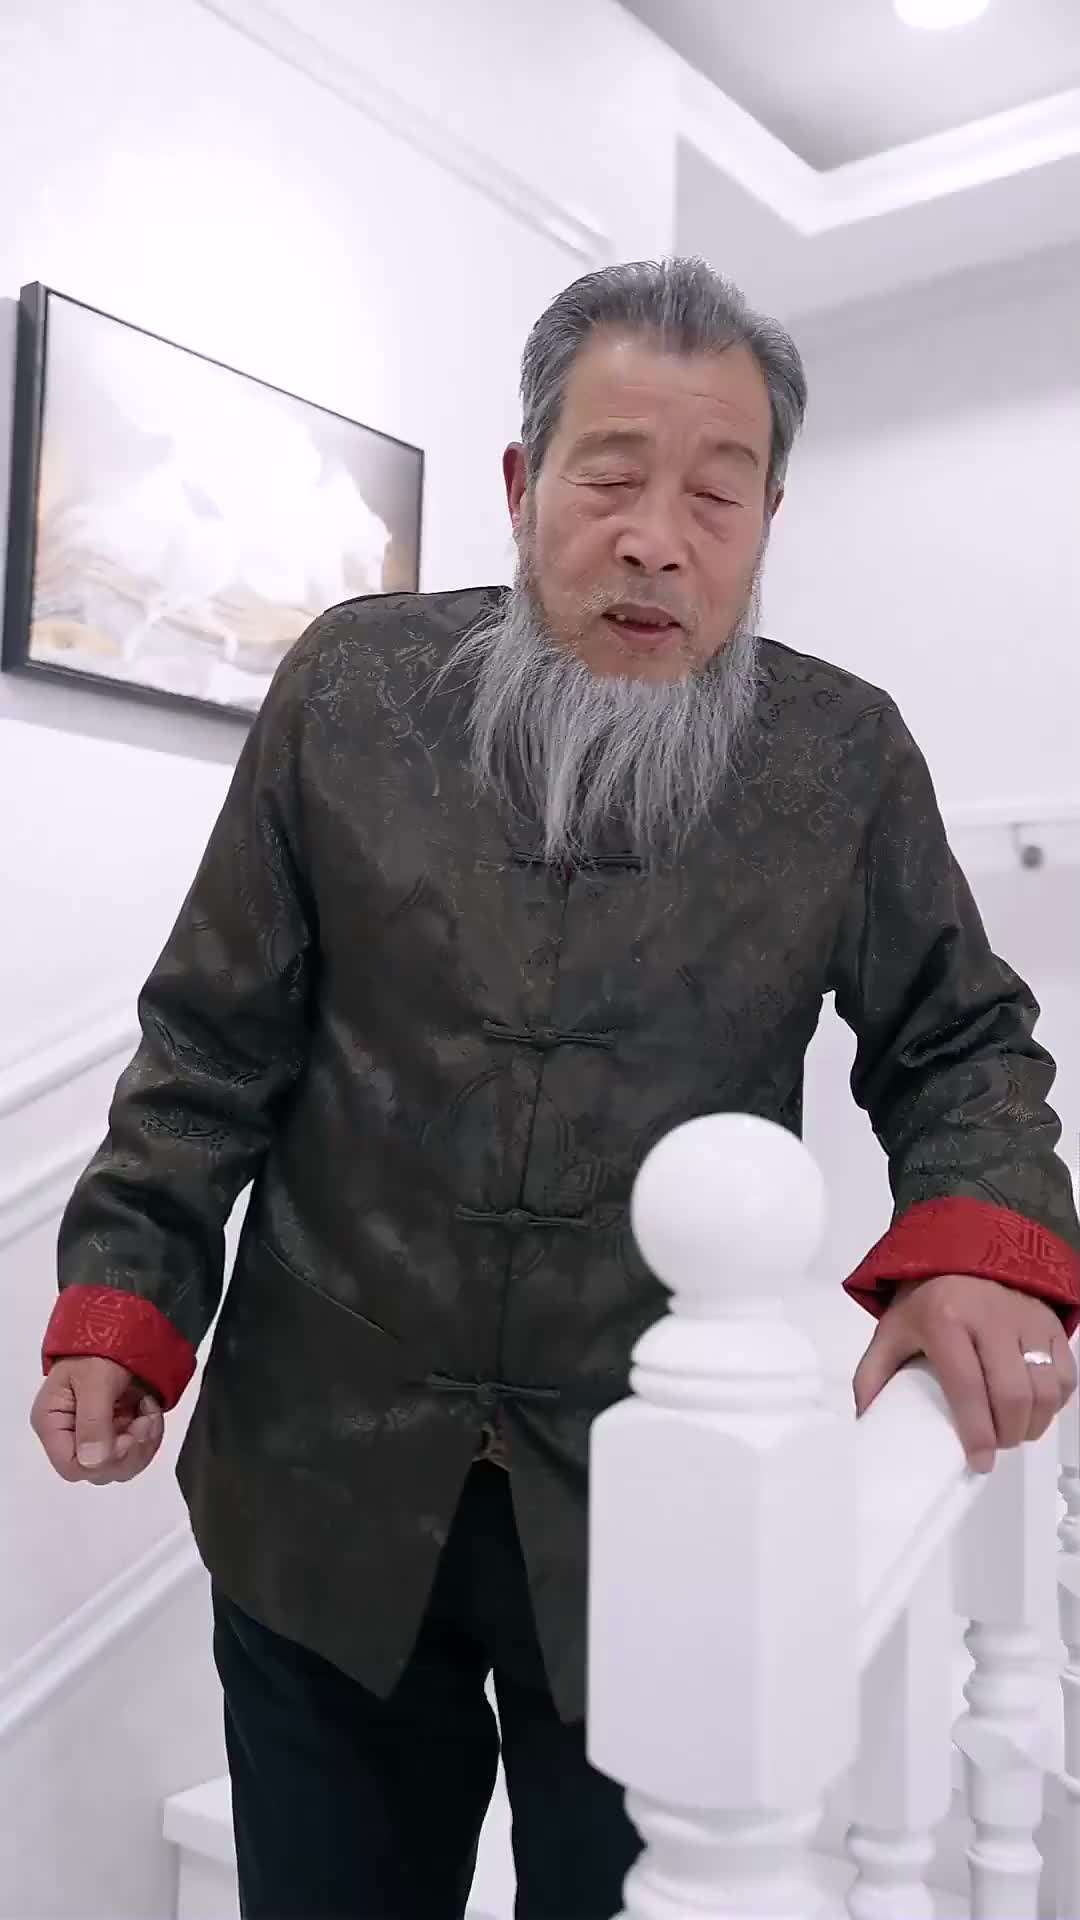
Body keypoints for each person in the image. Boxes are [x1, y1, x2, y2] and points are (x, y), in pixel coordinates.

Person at [31, 258, 1080, 1920]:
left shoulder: (842, 757)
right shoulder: (352, 689)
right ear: (524, 485)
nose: (658, 539)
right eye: (611, 478)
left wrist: (983, 1236)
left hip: (647, 1511)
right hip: (318, 1479)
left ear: (767, 519)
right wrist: (127, 1293)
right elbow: (213, 1039)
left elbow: (960, 1041)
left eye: (716, 496)